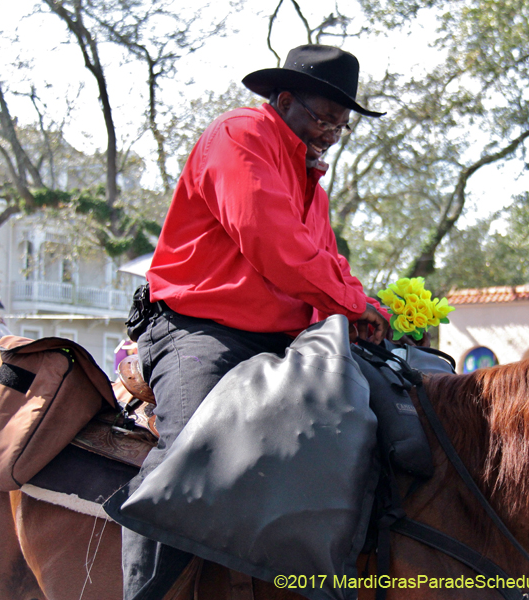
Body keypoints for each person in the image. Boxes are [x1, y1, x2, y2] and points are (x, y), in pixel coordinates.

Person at [118, 44, 391, 599]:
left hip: (281, 339)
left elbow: (325, 261)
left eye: (340, 126)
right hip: (198, 327)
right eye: (322, 118)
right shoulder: (240, 135)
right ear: (283, 100)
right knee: (194, 453)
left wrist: (362, 307)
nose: (330, 134)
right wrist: (349, 301)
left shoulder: (312, 180)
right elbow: (274, 243)